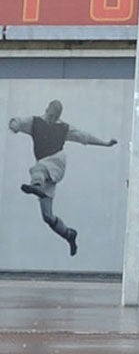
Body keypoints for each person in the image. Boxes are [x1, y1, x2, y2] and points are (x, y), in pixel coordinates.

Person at [9, 100, 117, 256]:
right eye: (51, 116)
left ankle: (37, 187)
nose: (52, 120)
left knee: (38, 169)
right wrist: (14, 125)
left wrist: (105, 143)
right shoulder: (35, 122)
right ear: (46, 110)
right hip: (45, 170)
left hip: (56, 161)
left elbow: (84, 137)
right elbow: (18, 121)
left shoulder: (63, 128)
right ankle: (69, 234)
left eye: (55, 117)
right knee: (47, 216)